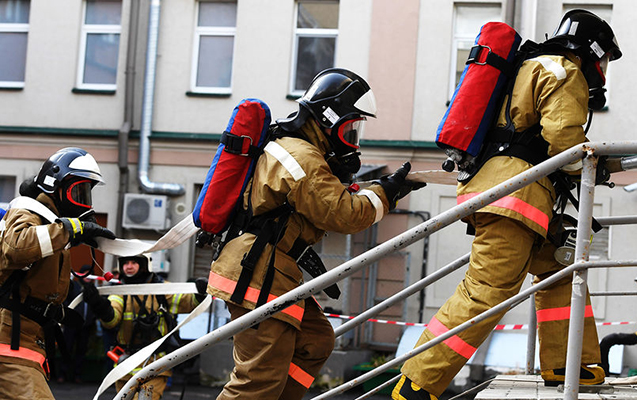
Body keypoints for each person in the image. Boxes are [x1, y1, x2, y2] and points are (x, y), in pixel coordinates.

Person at [393, 10, 622, 400]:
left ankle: (569, 364)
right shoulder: (564, 71)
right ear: (592, 52)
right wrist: (592, 164)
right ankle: (416, 383)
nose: (601, 71)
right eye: (603, 61)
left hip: (513, 191)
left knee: (559, 268)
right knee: (487, 289)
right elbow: (564, 140)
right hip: (517, 197)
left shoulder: (529, 66)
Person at [205, 68, 425, 400]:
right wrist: (385, 193)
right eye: (349, 128)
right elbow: (344, 213)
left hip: (268, 271)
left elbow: (327, 196)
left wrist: (381, 188)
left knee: (315, 340)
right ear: (329, 119)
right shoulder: (302, 157)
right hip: (257, 274)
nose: (352, 139)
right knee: (257, 379)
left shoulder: (300, 151)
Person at [0, 147, 116, 400]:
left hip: (25, 343)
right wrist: (70, 230)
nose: (83, 202)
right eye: (78, 192)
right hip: (10, 346)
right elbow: (16, 247)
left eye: (86, 193)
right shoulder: (27, 212)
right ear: (55, 185)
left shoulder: (51, 224)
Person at [83, 254, 208, 400]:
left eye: (133, 263)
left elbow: (187, 302)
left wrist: (200, 293)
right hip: (125, 366)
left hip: (155, 365)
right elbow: (112, 320)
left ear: (144, 265)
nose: (129, 266)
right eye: (126, 263)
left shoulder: (161, 289)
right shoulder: (120, 291)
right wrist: (99, 305)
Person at [58, 264, 98, 384]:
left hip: (86, 326)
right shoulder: (74, 286)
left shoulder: (93, 289)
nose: (88, 276)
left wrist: (92, 319)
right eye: (85, 273)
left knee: (81, 350)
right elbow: (65, 301)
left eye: (90, 274)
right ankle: (62, 374)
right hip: (71, 324)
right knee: (67, 348)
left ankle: (77, 375)